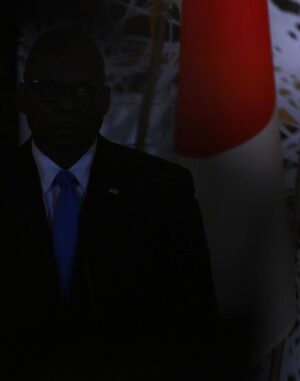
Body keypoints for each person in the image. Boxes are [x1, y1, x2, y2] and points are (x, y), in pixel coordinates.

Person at [0, 27, 219, 379]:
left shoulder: (163, 191)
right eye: (49, 90)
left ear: (105, 99)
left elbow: (194, 331)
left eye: (83, 90)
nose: (67, 105)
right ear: (22, 98)